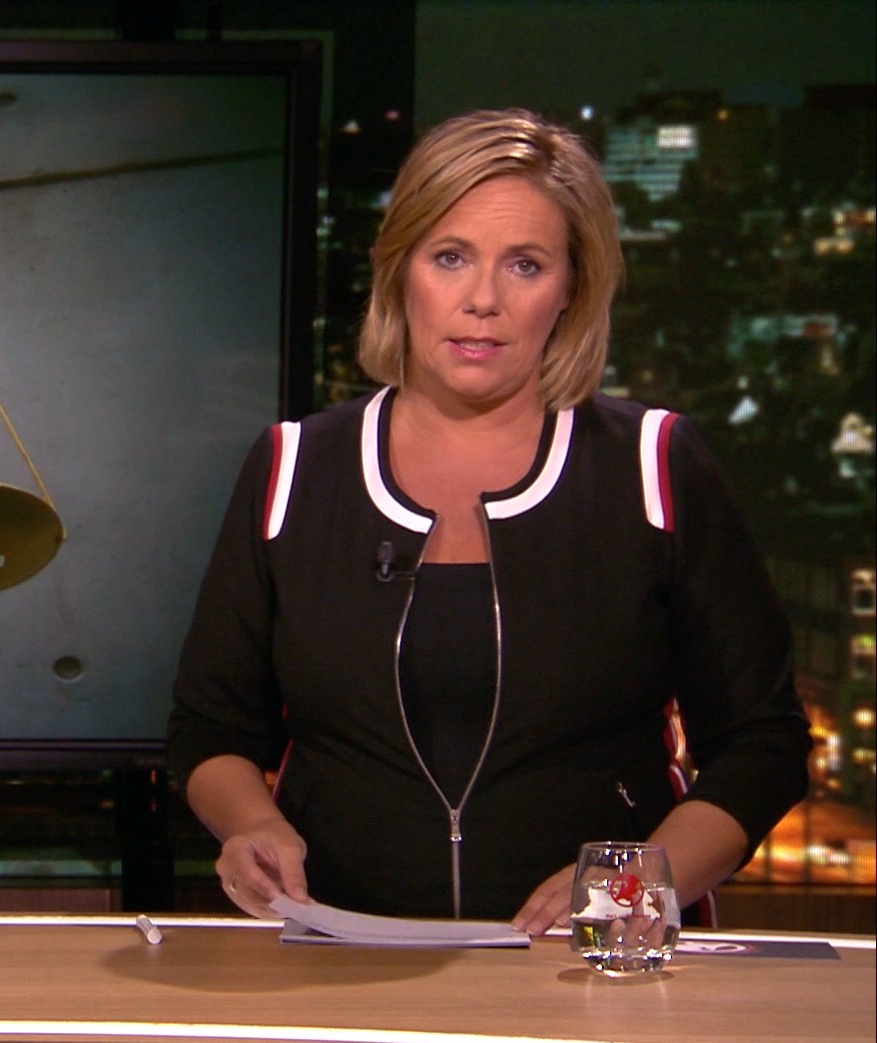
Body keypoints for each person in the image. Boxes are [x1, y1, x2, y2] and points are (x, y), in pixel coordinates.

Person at [167, 109, 812, 932]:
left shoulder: (654, 465)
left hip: (597, 962)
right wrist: (251, 826)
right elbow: (210, 729)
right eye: (450, 258)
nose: (482, 301)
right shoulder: (294, 468)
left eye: (525, 265)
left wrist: (630, 890)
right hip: (337, 951)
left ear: (571, 287)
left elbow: (762, 745)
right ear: (399, 271)